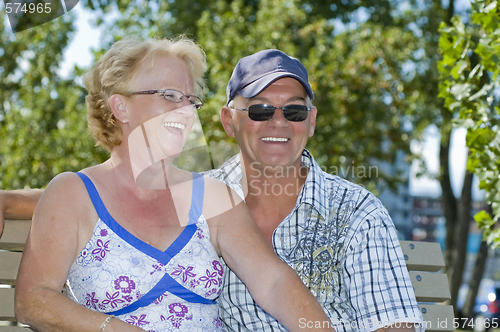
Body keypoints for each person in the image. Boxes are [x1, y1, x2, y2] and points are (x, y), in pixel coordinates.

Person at [1, 47, 423, 332]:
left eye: (189, 98)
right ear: (120, 105)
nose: (184, 109)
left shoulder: (214, 197)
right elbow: (33, 301)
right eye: (169, 95)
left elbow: (274, 282)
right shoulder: (72, 194)